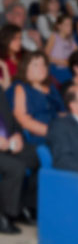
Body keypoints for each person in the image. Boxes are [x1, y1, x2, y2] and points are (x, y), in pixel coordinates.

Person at [0, 87, 39, 234]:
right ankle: (5, 214)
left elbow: (10, 118)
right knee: (16, 168)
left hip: (9, 142)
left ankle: (24, 205)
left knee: (36, 156)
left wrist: (17, 135)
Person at [10, 51, 65, 145]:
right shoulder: (21, 88)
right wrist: (54, 132)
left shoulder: (51, 87)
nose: (42, 68)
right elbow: (23, 120)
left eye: (43, 64)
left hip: (60, 130)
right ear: (25, 68)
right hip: (41, 137)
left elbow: (62, 112)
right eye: (36, 65)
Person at [45, 15, 78, 84]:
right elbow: (46, 56)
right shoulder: (54, 36)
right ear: (59, 26)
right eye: (66, 25)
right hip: (56, 69)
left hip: (68, 68)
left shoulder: (71, 40)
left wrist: (70, 63)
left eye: (71, 25)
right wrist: (62, 62)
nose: (70, 27)